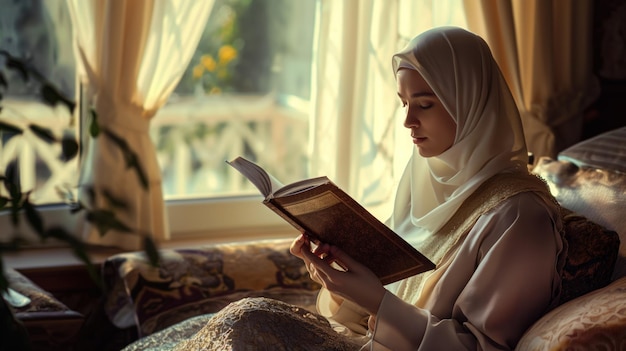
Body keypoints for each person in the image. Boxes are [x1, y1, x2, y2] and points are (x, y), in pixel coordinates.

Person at [173, 26, 566, 351]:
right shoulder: (424, 179)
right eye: (403, 103)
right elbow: (368, 307)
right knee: (226, 325)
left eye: (425, 105)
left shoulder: (519, 216)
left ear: (470, 103)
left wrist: (378, 300)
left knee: (248, 323)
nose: (408, 121)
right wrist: (337, 278)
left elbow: (484, 349)